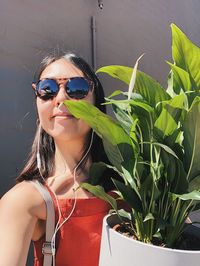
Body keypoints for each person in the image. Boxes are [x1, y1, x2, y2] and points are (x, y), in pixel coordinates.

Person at [0, 52, 115, 266]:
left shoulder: (135, 188)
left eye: (77, 88)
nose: (61, 98)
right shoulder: (24, 201)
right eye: (47, 90)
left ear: (96, 101)